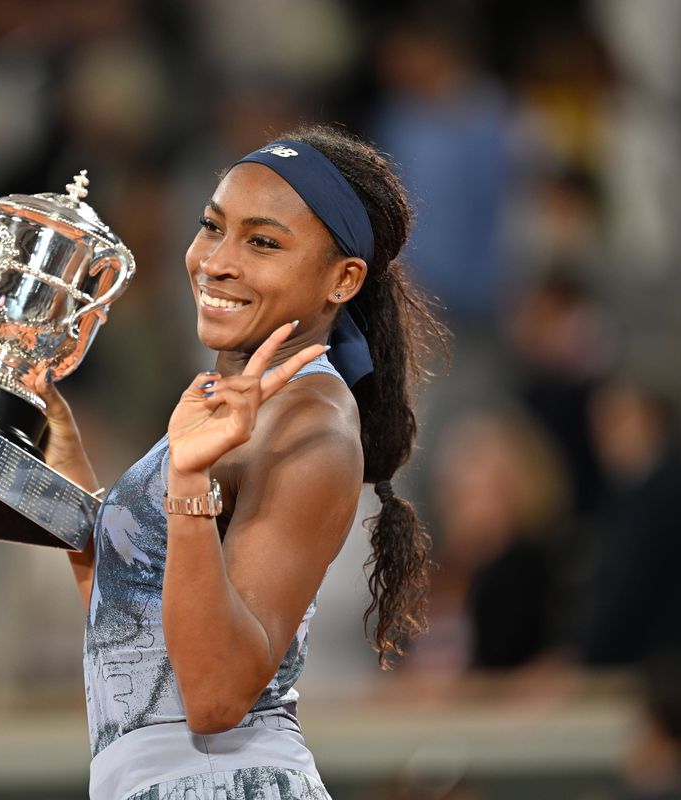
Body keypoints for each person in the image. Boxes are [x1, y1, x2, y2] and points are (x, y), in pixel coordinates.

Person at [26, 125, 438, 799]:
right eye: (212, 226)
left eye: (263, 242)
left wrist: (187, 482)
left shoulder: (312, 427)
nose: (216, 261)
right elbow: (133, 619)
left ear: (342, 279)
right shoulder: (234, 403)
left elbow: (216, 695)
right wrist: (66, 462)